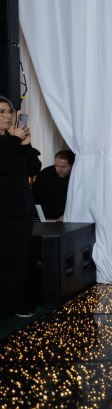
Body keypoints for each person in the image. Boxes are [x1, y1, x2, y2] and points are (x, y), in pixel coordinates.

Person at [0, 96, 42, 318]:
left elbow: (34, 168)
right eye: (2, 112)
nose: (8, 116)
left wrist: (26, 146)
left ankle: (15, 302)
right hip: (2, 210)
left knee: (19, 259)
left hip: (22, 208)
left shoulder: (12, 140)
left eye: (9, 111)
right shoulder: (9, 142)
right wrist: (15, 141)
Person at [32, 149, 74, 220]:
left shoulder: (77, 177)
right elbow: (35, 199)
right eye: (56, 166)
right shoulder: (44, 174)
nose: (59, 170)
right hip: (46, 218)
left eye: (63, 167)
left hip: (69, 217)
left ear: (72, 165)